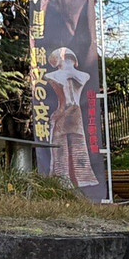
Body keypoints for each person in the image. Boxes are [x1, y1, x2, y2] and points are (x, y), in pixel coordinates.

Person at [45, 47, 100, 188]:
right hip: (76, 112)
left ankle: (63, 179)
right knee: (78, 143)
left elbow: (64, 103)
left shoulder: (53, 76)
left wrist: (56, 116)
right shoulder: (83, 75)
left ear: (57, 60)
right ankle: (83, 178)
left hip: (64, 113)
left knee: (59, 146)